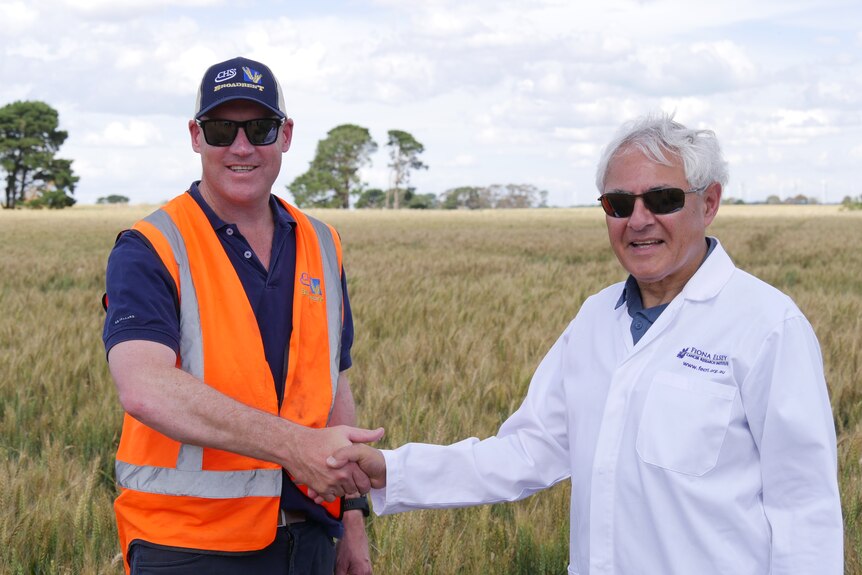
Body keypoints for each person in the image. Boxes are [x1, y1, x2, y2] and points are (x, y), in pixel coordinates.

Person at [329, 113, 844, 574]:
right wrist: (392, 469)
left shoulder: (767, 324)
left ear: (709, 202)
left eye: (662, 199)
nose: (638, 220)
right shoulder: (596, 317)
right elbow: (530, 450)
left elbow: (804, 509)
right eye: (618, 204)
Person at [102, 56, 380, 575]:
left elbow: (333, 383)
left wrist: (353, 519)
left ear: (286, 134)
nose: (241, 146)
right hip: (187, 544)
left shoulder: (322, 242)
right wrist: (295, 447)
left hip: (311, 537)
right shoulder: (150, 247)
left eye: (259, 127)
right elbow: (144, 387)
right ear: (195, 135)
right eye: (221, 128)